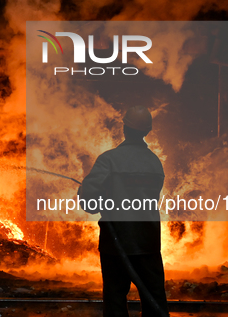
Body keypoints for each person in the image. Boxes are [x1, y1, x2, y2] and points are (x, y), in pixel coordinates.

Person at [78, 105, 169, 317]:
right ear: (147, 131)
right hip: (148, 241)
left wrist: (86, 193)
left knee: (115, 297)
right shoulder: (155, 163)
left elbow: (90, 203)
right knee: (154, 297)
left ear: (124, 128)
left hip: (116, 242)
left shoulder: (109, 160)